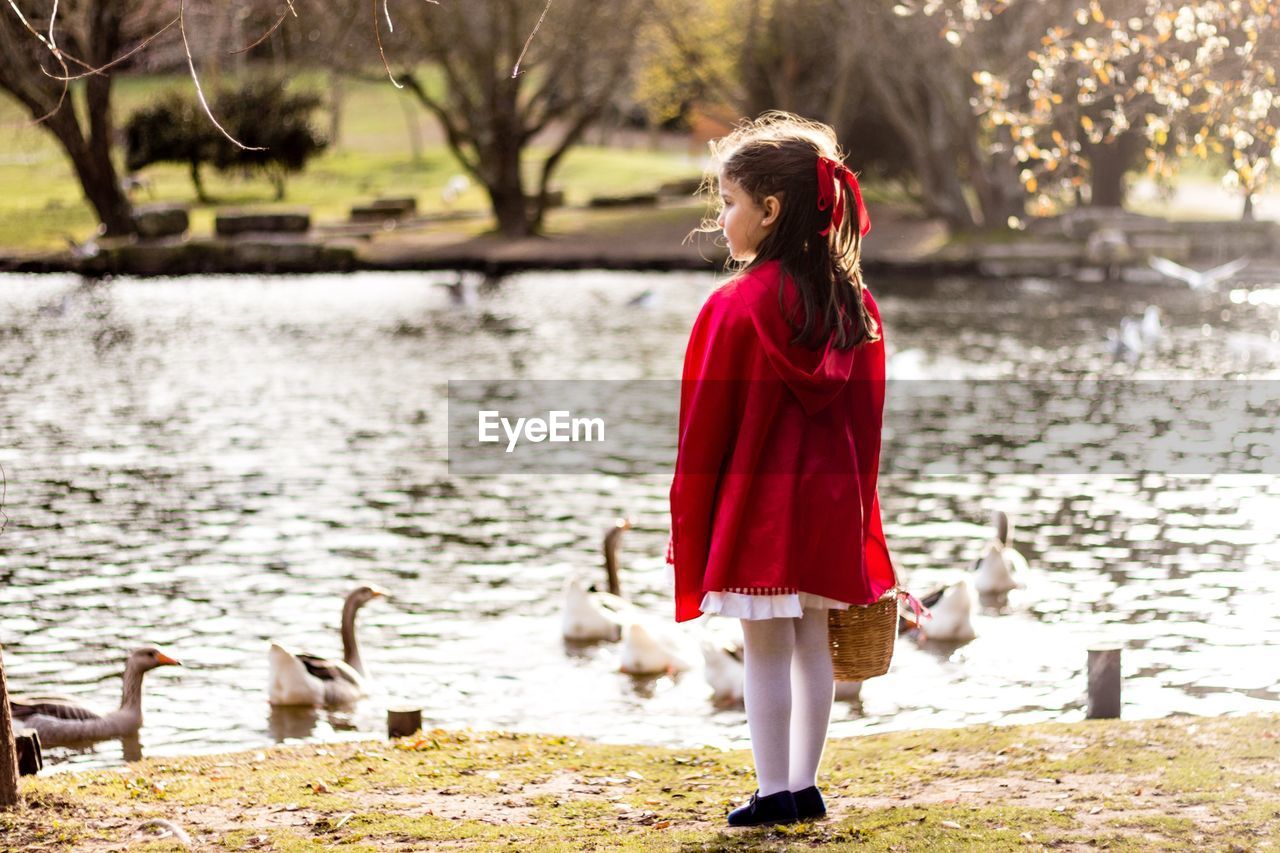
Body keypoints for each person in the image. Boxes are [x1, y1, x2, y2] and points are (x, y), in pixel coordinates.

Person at [666, 112, 897, 828]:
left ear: (769, 210)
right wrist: (863, 520)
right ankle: (804, 783)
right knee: (812, 649)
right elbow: (867, 427)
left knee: (764, 648)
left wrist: (690, 525)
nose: (721, 219)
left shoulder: (731, 309)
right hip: (829, 512)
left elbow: (703, 436)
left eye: (729, 203)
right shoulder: (853, 307)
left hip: (758, 517)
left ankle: (772, 793)